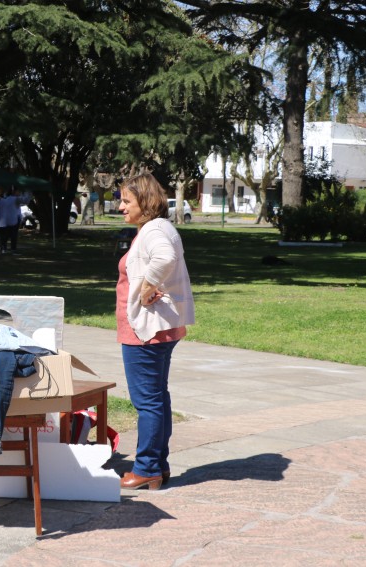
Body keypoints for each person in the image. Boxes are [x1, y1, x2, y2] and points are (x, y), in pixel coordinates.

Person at [115, 172, 195, 490]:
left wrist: (147, 287)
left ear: (144, 202)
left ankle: (146, 467)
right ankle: (157, 466)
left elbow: (165, 257)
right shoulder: (158, 228)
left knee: (147, 401)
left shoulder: (152, 231)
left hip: (146, 331)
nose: (121, 207)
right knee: (157, 398)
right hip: (157, 329)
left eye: (126, 201)